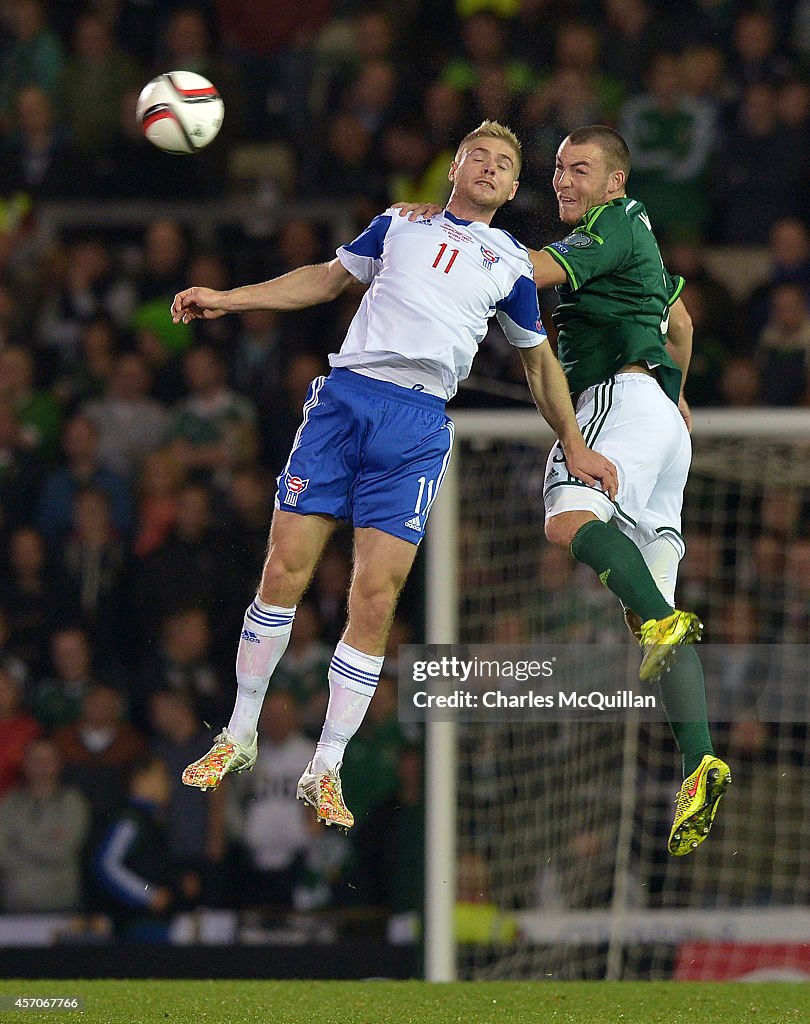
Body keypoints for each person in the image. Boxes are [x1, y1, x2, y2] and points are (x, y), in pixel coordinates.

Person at [171, 120, 617, 830]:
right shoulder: (397, 225)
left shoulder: (512, 263)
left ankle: (327, 767)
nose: (491, 167)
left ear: (510, 187)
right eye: (480, 156)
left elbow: (539, 363)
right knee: (284, 570)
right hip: (346, 401)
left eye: (505, 164)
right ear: (454, 168)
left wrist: (575, 442)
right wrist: (229, 298)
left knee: (374, 599)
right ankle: (238, 735)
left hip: (415, 428)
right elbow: (323, 281)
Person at [398, 124, 730, 857]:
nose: (565, 181)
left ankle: (664, 628)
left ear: (617, 180)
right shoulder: (637, 234)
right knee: (652, 608)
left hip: (615, 404)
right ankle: (700, 758)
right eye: (558, 169)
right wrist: (675, 393)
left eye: (582, 169)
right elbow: (680, 322)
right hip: (663, 431)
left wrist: (447, 231)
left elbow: (533, 270)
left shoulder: (611, 226)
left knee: (566, 519)